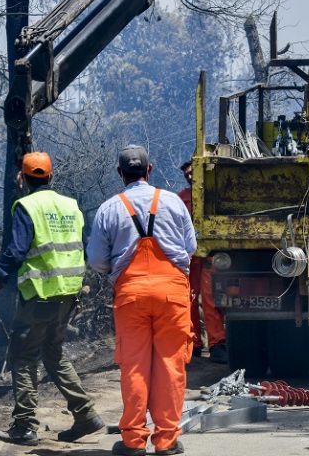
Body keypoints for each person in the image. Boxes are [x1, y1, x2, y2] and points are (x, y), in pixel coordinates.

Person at [0, 151, 104, 446]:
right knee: (53, 353)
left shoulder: (26, 206)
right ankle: (85, 414)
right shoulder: (71, 206)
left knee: (22, 356)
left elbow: (16, 251)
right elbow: (82, 248)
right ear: (51, 177)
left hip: (40, 295)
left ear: (21, 179)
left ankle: (24, 426)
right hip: (68, 294)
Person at [87, 145, 196, 456]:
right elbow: (190, 246)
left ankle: (134, 441)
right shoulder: (174, 202)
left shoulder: (109, 208)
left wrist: (116, 268)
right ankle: (167, 440)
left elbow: (96, 260)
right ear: (150, 170)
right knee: (170, 365)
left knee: (134, 366)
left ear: (121, 174)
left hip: (131, 294)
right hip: (172, 293)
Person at [177, 159, 227, 364]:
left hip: (209, 254)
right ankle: (193, 344)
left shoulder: (214, 193)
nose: (189, 176)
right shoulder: (180, 199)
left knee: (210, 299)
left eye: (192, 172)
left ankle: (217, 344)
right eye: (186, 174)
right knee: (187, 299)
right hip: (190, 256)